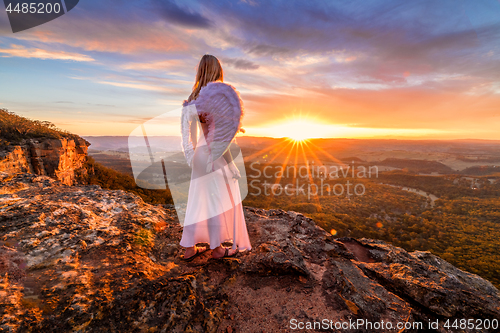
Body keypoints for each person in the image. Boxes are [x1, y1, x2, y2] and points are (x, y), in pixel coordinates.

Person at [179, 54, 252, 261]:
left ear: (200, 71)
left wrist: (191, 157)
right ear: (217, 72)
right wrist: (231, 166)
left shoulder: (191, 100)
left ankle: (189, 248)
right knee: (215, 201)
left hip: (199, 156)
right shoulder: (217, 99)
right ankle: (218, 248)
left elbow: (187, 135)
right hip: (215, 155)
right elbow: (219, 140)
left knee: (197, 199)